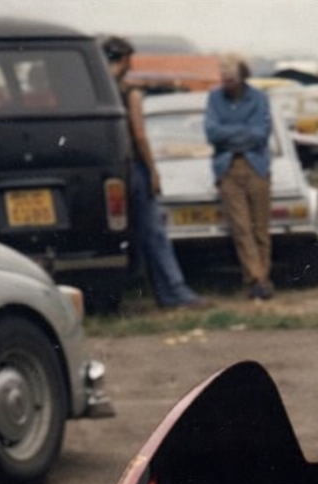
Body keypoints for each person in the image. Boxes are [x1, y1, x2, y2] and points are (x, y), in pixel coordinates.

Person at [101, 35, 205, 310]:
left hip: (112, 170)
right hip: (135, 168)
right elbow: (140, 135)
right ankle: (174, 292)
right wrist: (153, 170)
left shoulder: (102, 90)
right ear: (124, 60)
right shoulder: (130, 94)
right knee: (154, 232)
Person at [204, 54, 274, 300]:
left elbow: (260, 133)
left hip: (256, 167)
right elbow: (212, 133)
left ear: (242, 77)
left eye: (231, 79)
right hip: (227, 168)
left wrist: (229, 136)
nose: (227, 84)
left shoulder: (259, 99)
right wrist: (241, 133)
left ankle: (261, 279)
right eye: (223, 79)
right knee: (241, 228)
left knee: (260, 228)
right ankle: (255, 278)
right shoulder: (214, 98)